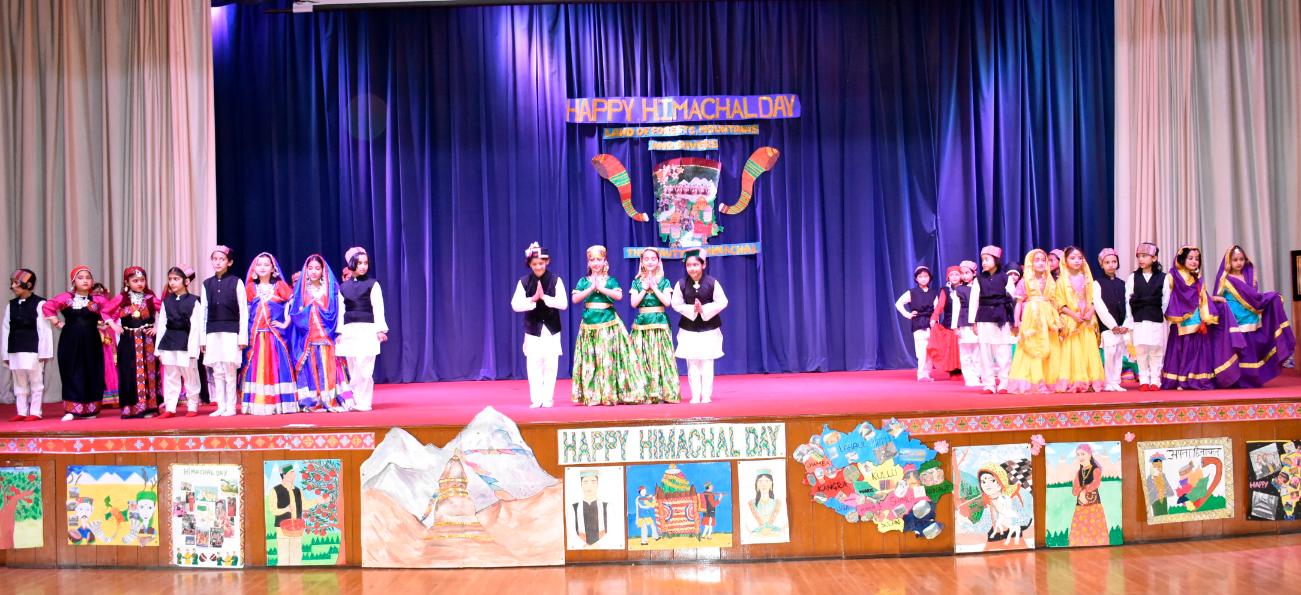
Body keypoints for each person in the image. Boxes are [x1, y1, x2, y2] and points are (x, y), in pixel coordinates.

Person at [571, 245, 645, 406]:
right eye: (592, 260)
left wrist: (601, 288)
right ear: (588, 262)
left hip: (608, 322)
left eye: (599, 259)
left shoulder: (610, 280)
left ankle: (609, 393)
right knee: (591, 360)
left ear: (605, 261)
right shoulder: (584, 281)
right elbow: (575, 299)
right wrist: (591, 288)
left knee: (607, 359)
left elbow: (619, 296)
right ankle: (592, 394)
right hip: (589, 325)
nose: (595, 263)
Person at [1213, 245, 1296, 387]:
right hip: (1235, 321)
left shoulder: (1250, 277)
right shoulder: (1225, 280)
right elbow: (1215, 298)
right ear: (1228, 262)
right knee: (1238, 351)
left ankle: (1250, 379)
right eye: (1235, 260)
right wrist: (1221, 300)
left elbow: (1254, 298)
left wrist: (1271, 298)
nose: (1239, 263)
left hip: (1250, 318)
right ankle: (1236, 381)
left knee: (1250, 350)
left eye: (1241, 259)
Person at [1161, 246, 1243, 390]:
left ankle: (1194, 380)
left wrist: (1216, 299)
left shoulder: (1197, 276)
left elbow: (1201, 297)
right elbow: (1166, 299)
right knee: (1184, 349)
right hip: (1182, 321)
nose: (1194, 261)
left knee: (1198, 349)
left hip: (1198, 320)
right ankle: (1182, 381)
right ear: (1182, 259)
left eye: (1197, 259)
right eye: (1190, 258)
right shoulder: (1172, 276)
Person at [288, 255, 353, 412]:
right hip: (308, 339)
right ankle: (313, 400)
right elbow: (295, 313)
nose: (313, 272)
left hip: (327, 337)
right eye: (310, 268)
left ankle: (331, 398)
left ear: (323, 270)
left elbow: (336, 313)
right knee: (312, 369)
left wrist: (338, 332)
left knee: (330, 368)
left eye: (317, 268)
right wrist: (307, 310)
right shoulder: (301, 291)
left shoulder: (331, 290)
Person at [43, 266, 108, 421]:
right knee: (71, 371)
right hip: (70, 341)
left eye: (88, 278)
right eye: (80, 278)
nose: (85, 281)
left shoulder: (98, 300)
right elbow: (48, 306)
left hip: (92, 341)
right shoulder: (66, 298)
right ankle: (72, 410)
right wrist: (56, 322)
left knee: (92, 371)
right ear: (73, 281)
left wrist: (104, 323)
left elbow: (111, 310)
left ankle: (91, 409)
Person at [509, 243, 566, 408]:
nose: (538, 266)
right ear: (530, 264)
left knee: (551, 364)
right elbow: (515, 305)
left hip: (551, 329)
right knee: (533, 365)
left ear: (547, 262)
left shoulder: (556, 280)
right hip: (533, 329)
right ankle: (536, 399)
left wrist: (545, 298)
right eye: (534, 264)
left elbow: (563, 304)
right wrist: (532, 299)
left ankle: (548, 398)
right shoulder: (524, 281)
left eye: (541, 263)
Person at [241, 253, 299, 415]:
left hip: (275, 337)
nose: (262, 267)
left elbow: (294, 303)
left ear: (273, 269)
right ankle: (258, 404)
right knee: (257, 369)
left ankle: (280, 404)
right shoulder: (250, 288)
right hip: (256, 337)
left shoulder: (280, 286)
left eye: (266, 265)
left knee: (276, 368)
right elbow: (245, 313)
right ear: (254, 268)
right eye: (259, 264)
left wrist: (285, 323)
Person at [102, 267, 163, 418]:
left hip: (148, 341)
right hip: (128, 341)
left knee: (149, 374)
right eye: (135, 281)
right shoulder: (121, 299)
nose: (139, 283)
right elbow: (104, 311)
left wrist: (158, 327)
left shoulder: (150, 298)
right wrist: (113, 325)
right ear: (127, 282)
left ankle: (150, 408)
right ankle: (131, 409)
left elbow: (166, 311)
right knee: (129, 373)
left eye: (142, 280)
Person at [671, 249, 729, 404]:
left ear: (703, 265)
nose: (692, 268)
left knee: (707, 362)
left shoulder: (712, 283)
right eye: (689, 265)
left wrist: (704, 309)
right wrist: (692, 309)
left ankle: (706, 395)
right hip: (688, 329)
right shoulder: (681, 284)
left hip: (709, 328)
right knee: (692, 362)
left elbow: (722, 302)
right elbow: (676, 304)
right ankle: (695, 395)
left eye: (695, 265)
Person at [337, 247, 389, 411]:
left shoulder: (372, 284)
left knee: (364, 367)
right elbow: (341, 311)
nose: (363, 266)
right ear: (352, 264)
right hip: (349, 329)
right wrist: (340, 332)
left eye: (365, 263)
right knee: (353, 367)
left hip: (367, 329)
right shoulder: (343, 287)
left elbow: (378, 307)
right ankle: (355, 400)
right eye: (359, 263)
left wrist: (380, 329)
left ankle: (365, 402)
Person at [200, 246, 248, 416]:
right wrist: (202, 339)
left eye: (222, 259)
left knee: (229, 369)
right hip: (213, 331)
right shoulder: (207, 284)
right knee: (217, 370)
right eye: (215, 259)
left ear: (230, 262)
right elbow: (203, 312)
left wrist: (242, 337)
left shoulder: (236, 282)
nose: (218, 262)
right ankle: (221, 405)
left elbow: (243, 311)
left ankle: (231, 406)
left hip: (231, 331)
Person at [629, 248, 681, 403]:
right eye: (646, 259)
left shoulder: (664, 281)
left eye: (653, 258)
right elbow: (634, 303)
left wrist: (655, 287)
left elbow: (667, 302)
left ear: (659, 261)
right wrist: (645, 288)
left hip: (659, 322)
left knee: (661, 357)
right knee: (641, 357)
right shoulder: (637, 282)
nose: (650, 262)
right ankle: (643, 392)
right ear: (642, 262)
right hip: (642, 323)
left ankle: (664, 393)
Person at [1051, 247, 1104, 393]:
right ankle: (1074, 381)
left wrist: (1090, 312)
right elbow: (1059, 303)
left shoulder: (1088, 279)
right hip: (1071, 322)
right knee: (1072, 352)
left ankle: (1091, 381)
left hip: (1087, 320)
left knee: (1088, 351)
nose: (1077, 261)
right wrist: (1074, 315)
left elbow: (1094, 299)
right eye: (1073, 258)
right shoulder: (1061, 281)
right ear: (1065, 260)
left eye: (1080, 258)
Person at [2, 269, 52, 421]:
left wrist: (44, 352)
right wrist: (5, 353)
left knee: (36, 380)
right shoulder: (11, 305)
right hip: (15, 348)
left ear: (28, 285)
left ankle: (35, 411)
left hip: (33, 349)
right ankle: (22, 411)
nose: (13, 286)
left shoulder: (40, 303)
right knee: (19, 380)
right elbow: (6, 329)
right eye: (12, 283)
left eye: (16, 283)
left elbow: (44, 329)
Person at [155, 266, 204, 418]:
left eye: (176, 279)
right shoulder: (167, 302)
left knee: (190, 375)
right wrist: (158, 350)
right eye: (170, 279)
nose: (172, 282)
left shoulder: (193, 301)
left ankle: (192, 405)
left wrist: (193, 349)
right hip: (169, 342)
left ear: (186, 281)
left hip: (186, 342)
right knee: (171, 376)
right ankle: (170, 407)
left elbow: (196, 327)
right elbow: (162, 325)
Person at [1007, 250, 1058, 394]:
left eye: (1043, 260)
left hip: (1047, 315)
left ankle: (1046, 380)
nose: (1041, 263)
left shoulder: (1050, 280)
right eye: (1037, 260)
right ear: (1031, 263)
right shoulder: (1025, 281)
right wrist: (1016, 320)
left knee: (1048, 345)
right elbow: (1019, 303)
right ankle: (1032, 381)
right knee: (1031, 346)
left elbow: (1054, 301)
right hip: (1032, 315)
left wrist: (1055, 318)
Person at [968, 246, 1016, 393]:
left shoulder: (1006, 278)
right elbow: (974, 301)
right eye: (982, 259)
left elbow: (1012, 298)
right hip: (984, 317)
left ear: (996, 260)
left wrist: (1012, 320)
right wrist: (973, 322)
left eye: (987, 259)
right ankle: (989, 384)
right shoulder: (978, 279)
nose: (984, 262)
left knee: (1003, 351)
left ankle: (1004, 383)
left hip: (1001, 317)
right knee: (985, 351)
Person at [1125, 243, 1171, 391]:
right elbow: (1128, 299)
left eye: (1145, 256)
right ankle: (1144, 379)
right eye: (1139, 256)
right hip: (1139, 317)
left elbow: (1165, 300)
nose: (1141, 259)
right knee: (1141, 349)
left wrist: (1161, 315)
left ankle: (1156, 379)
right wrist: (1130, 319)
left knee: (1156, 349)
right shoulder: (1133, 277)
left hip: (1156, 317)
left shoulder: (1163, 277)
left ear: (1154, 258)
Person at [1093, 249, 1130, 392]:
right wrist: (1112, 325)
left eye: (1114, 262)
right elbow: (1099, 306)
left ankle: (1116, 381)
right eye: (1107, 262)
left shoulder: (1122, 283)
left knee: (1119, 353)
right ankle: (1108, 381)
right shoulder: (1097, 283)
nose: (1111, 265)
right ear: (1101, 265)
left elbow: (1128, 304)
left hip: (1121, 325)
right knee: (1109, 353)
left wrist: (1125, 324)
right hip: (1108, 326)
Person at [895, 266, 938, 381]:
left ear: (929, 278)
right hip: (918, 322)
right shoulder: (912, 292)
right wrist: (908, 314)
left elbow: (937, 309)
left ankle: (927, 373)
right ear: (916, 278)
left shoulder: (933, 293)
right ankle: (921, 374)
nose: (923, 279)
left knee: (930, 349)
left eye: (925, 276)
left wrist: (935, 321)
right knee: (922, 349)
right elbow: (898, 303)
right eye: (920, 276)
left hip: (931, 323)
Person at [1069, 444, 1110, 546]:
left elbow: (1096, 483)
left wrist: (1083, 491)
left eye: (1083, 454)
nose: (1080, 457)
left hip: (1094, 506)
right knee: (1079, 531)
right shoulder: (1079, 472)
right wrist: (1080, 492)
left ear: (1089, 454)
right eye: (1078, 454)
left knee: (1095, 529)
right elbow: (1074, 491)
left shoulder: (1096, 470)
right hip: (1080, 507)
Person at [570, 470, 609, 547]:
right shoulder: (574, 508)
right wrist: (583, 545)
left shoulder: (607, 506)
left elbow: (613, 531)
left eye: (593, 482)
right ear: (581, 484)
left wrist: (598, 545)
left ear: (597, 484)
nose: (589, 486)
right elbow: (571, 532)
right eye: (585, 482)